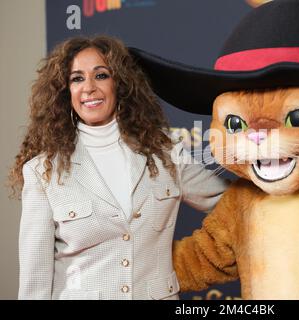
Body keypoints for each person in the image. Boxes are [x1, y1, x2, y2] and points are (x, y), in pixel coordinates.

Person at [9, 36, 229, 300]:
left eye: (101, 75)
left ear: (120, 84)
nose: (89, 87)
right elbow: (36, 278)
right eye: (77, 78)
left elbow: (232, 203)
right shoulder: (41, 171)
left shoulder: (167, 152)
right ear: (64, 91)